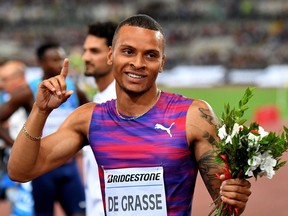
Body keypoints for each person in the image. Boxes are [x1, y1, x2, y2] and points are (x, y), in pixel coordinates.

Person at [8, 14, 251, 215]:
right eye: (128, 51)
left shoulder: (193, 116)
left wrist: (234, 197)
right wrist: (40, 111)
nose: (138, 63)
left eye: (150, 55)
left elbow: (226, 206)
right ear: (111, 55)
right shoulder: (90, 119)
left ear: (162, 62)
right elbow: (20, 171)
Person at [0, 43, 89, 216]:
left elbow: (93, 117)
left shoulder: (73, 90)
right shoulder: (29, 91)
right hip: (42, 167)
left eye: (61, 59)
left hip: (69, 167)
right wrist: (15, 144)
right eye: (54, 59)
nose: (59, 63)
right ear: (41, 62)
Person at [81, 21, 117, 216]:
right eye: (85, 50)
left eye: (94, 51)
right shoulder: (99, 98)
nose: (85, 57)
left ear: (113, 55)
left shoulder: (120, 103)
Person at [0, 60, 34, 216]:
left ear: (18, 77)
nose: (1, 84)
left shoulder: (29, 95)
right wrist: (15, 145)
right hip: (12, 162)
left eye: (4, 79)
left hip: (32, 162)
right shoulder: (7, 98)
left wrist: (17, 146)